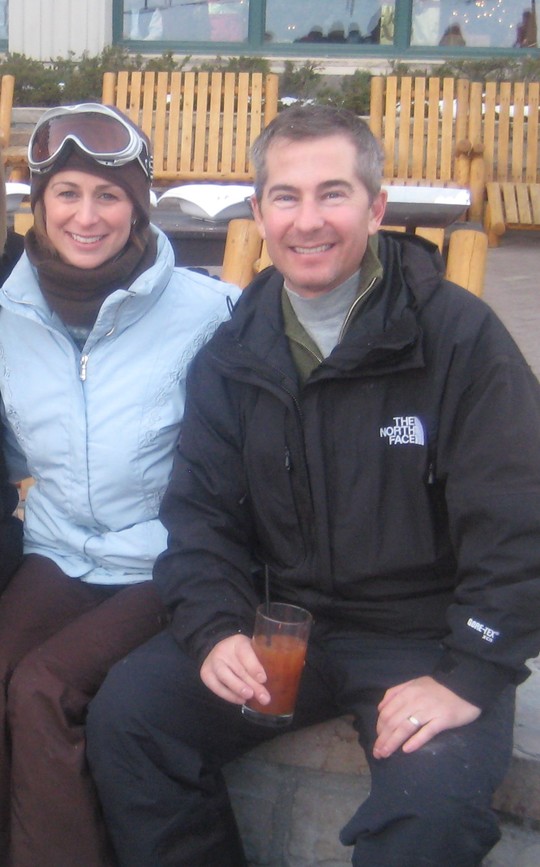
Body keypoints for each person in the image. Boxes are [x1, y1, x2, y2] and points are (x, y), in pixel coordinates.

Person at [87, 105, 540, 867]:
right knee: (132, 718)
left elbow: (518, 515)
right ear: (259, 211)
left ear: (376, 206)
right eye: (286, 197)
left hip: (419, 638)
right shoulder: (234, 351)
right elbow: (199, 518)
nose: (308, 221)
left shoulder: (457, 337)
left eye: (334, 193)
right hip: (283, 625)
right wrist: (214, 628)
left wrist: (472, 672)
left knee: (431, 809)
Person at [0, 102, 240, 867]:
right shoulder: (7, 314)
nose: (87, 216)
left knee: (43, 688)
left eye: (109, 195)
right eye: (66, 193)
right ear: (39, 203)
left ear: (138, 205)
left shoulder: (209, 313)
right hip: (58, 548)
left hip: (163, 560)